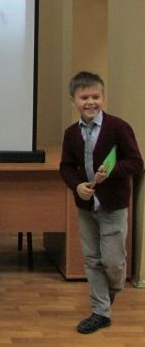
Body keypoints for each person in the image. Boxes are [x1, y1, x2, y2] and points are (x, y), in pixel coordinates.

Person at [60, 71, 143, 334]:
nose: (90, 102)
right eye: (84, 97)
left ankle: (110, 292)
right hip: (86, 207)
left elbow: (136, 163)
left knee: (113, 263)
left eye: (95, 96)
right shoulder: (71, 133)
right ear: (73, 100)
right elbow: (66, 167)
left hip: (113, 206)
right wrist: (77, 186)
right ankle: (101, 312)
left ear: (103, 97)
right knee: (92, 260)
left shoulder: (118, 127)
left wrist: (111, 172)